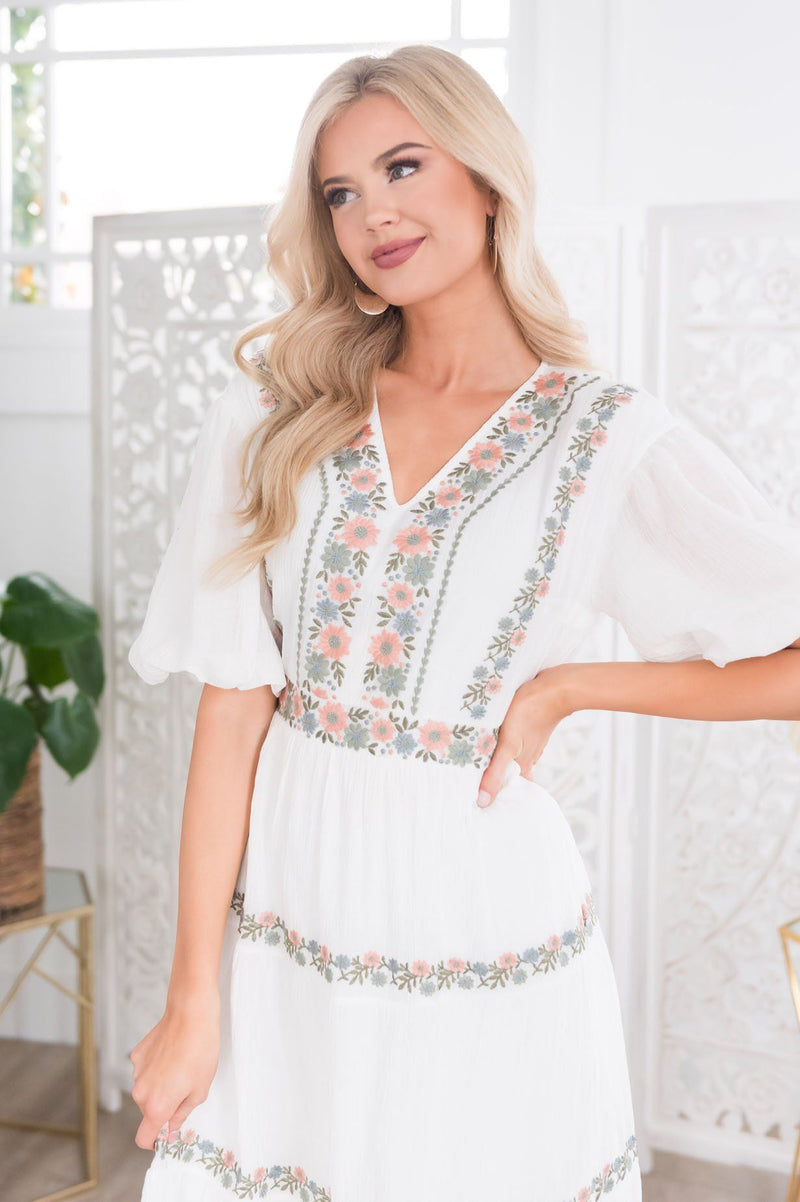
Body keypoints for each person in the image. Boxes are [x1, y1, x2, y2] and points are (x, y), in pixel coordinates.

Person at [126, 43, 800, 1202]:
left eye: (402, 167)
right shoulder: (278, 410)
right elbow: (232, 708)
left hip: (480, 924)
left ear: (486, 179)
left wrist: (570, 687)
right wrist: (193, 996)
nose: (373, 215)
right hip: (285, 915)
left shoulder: (602, 437)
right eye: (341, 193)